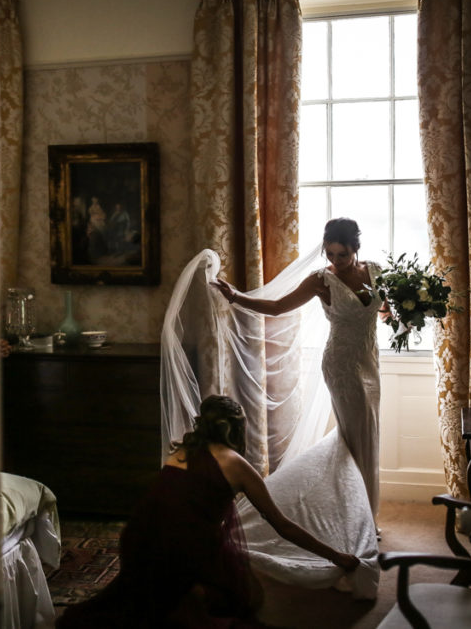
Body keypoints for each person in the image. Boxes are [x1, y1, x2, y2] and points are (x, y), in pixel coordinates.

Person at [57, 395, 358, 629]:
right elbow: (282, 525)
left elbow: (167, 506)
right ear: (238, 428)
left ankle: (183, 594)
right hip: (180, 551)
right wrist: (336, 556)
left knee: (142, 603)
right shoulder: (235, 463)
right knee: (247, 598)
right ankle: (189, 593)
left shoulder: (180, 452)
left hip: (137, 543)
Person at [210, 218, 389, 523]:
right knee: (355, 434)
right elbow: (279, 306)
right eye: (330, 254)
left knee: (368, 433)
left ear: (356, 249)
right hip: (341, 365)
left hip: (370, 362)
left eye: (342, 255)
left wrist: (409, 313)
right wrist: (236, 297)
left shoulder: (375, 271)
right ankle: (356, 517)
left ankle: (363, 512)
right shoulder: (321, 280)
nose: (335, 261)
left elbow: (384, 312)